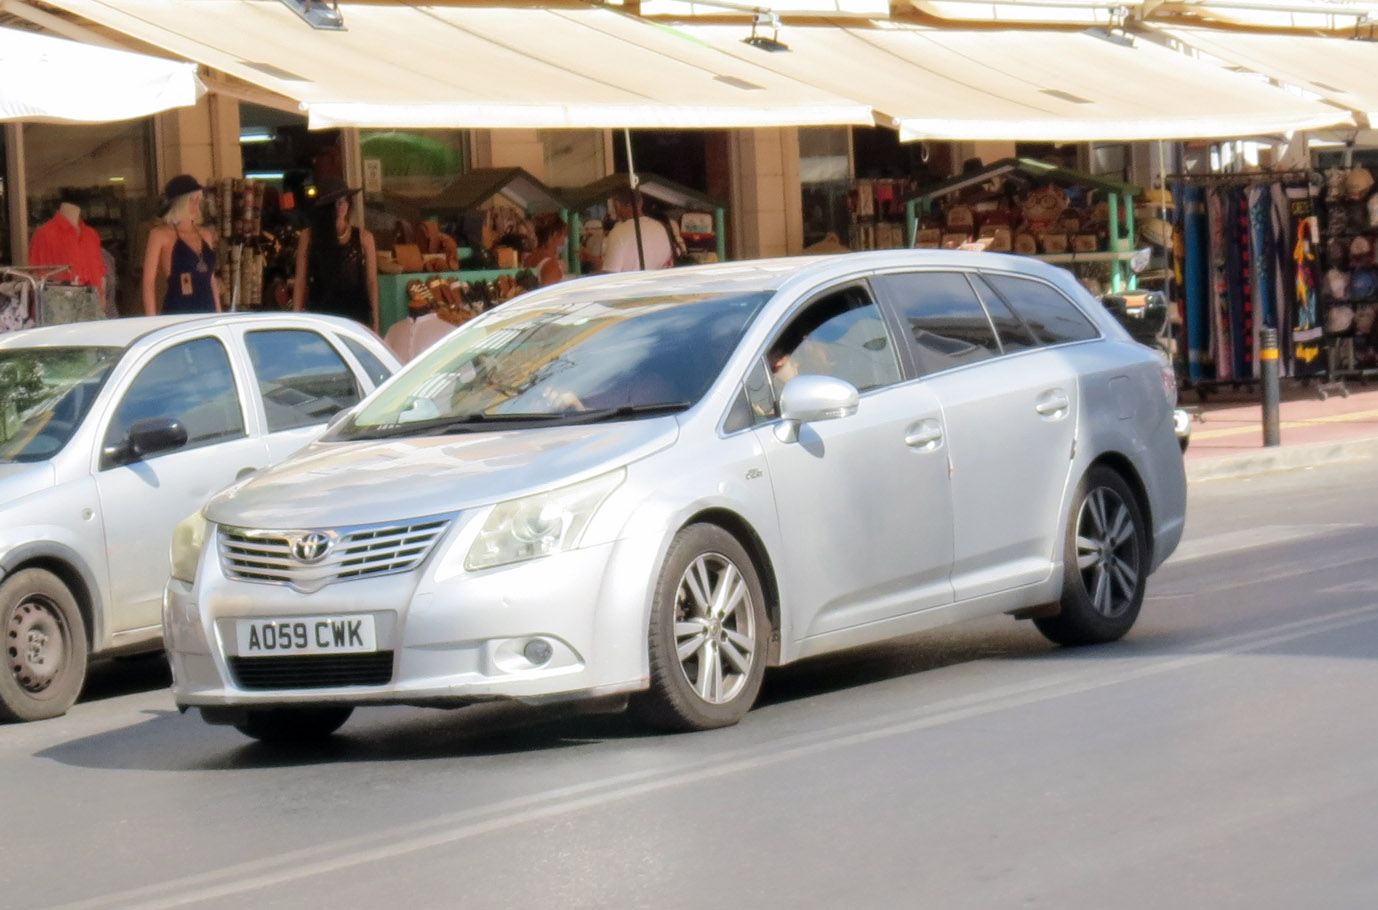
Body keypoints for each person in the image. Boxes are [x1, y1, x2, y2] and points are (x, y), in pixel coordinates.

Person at [292, 176, 379, 332]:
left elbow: (372, 282)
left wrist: (376, 322)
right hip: (322, 312)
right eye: (335, 203)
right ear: (327, 207)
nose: (341, 207)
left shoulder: (364, 238)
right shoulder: (309, 236)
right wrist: (296, 320)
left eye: (344, 201)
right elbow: (300, 280)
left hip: (356, 313)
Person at [141, 175, 220, 316]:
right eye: (191, 200)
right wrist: (151, 322)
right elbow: (148, 283)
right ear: (179, 203)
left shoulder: (205, 234)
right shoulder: (160, 234)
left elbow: (211, 280)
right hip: (177, 311)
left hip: (208, 311)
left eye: (198, 200)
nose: (196, 205)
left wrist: (219, 314)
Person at [598, 187, 673, 273]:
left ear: (617, 205)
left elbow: (610, 274)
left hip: (632, 286)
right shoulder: (661, 228)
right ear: (641, 202)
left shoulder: (618, 232)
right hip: (658, 285)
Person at [523, 214, 569, 286]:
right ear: (555, 234)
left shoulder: (528, 259)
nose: (564, 242)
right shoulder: (551, 265)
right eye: (564, 235)